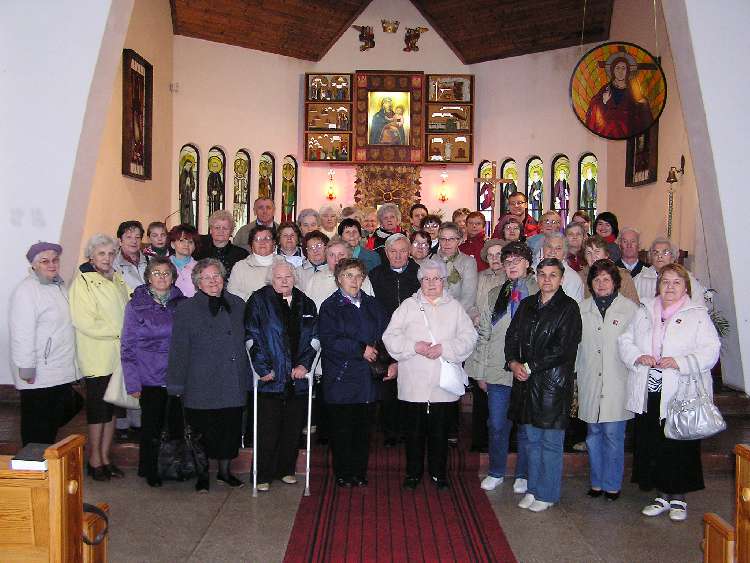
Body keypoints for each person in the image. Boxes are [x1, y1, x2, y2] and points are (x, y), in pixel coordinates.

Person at [618, 263, 720, 521]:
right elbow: (625, 340)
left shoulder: (697, 314)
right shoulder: (645, 310)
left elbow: (711, 350)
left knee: (679, 446)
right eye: (665, 282)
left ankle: (678, 498)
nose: (670, 287)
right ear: (658, 285)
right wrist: (637, 356)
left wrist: (679, 362)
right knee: (653, 442)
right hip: (650, 389)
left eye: (676, 282)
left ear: (685, 287)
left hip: (680, 391)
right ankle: (661, 495)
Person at [383, 259, 477, 490]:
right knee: (413, 433)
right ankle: (413, 474)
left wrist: (445, 348)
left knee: (440, 433)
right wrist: (414, 346)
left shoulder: (455, 307)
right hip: (413, 382)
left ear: (444, 281)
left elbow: (469, 337)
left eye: (436, 278)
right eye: (426, 279)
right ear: (420, 281)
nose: (432, 283)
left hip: (442, 384)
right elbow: (390, 337)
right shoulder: (408, 306)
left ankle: (438, 474)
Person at [167, 258, 249, 492]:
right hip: (200, 380)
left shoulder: (238, 304)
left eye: (216, 276)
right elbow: (179, 348)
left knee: (229, 430)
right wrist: (176, 384)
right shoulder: (186, 309)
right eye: (207, 278)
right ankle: (202, 475)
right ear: (197, 283)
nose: (213, 281)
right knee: (201, 432)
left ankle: (225, 472)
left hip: (231, 379)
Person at [506, 258, 582, 512]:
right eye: (542, 274)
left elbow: (564, 348)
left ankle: (547, 493)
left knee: (550, 442)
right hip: (526, 383)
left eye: (553, 275)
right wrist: (513, 362)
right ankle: (533, 488)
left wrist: (529, 367)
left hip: (552, 385)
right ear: (536, 277)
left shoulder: (569, 308)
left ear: (561, 279)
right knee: (531, 440)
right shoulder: (527, 304)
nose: (547, 279)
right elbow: (512, 336)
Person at [467, 241, 538, 492]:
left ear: (527, 263)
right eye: (507, 262)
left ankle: (523, 474)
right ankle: (496, 470)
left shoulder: (538, 291)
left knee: (526, 427)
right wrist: (481, 372)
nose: (511, 265)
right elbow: (484, 333)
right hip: (497, 367)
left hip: (529, 371)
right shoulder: (495, 293)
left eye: (517, 261)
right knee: (497, 424)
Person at [245, 258, 318, 491]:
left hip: (297, 379)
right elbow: (252, 335)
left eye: (288, 277)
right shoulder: (258, 300)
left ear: (294, 278)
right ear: (271, 279)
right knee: (267, 429)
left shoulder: (306, 303)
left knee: (292, 428)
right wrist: (263, 368)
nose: (284, 281)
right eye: (279, 277)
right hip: (270, 378)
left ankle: (286, 469)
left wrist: (304, 365)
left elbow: (314, 339)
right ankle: (262, 475)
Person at [319, 258, 391, 486]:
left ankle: (359, 472)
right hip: (341, 376)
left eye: (359, 275)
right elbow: (329, 340)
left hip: (367, 377)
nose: (354, 280)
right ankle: (343, 473)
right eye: (348, 275)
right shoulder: (330, 306)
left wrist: (388, 359)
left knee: (363, 429)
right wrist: (360, 349)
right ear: (339, 279)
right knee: (342, 430)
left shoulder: (372, 304)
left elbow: (387, 333)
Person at [69, 234, 130, 481]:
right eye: (101, 254)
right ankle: (94, 460)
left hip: (118, 355)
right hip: (97, 355)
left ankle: (106, 457)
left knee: (112, 408)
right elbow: (84, 321)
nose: (107, 258)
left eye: (111, 253)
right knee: (98, 410)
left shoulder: (117, 277)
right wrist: (121, 332)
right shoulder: (83, 282)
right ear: (91, 256)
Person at [576, 260, 638, 500]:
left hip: (617, 382)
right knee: (593, 435)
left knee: (613, 434)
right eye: (597, 279)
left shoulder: (630, 310)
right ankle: (596, 482)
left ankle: (612, 484)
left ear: (615, 283)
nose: (601, 284)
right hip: (590, 380)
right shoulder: (581, 309)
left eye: (606, 279)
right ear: (590, 283)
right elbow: (576, 347)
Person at [121, 257, 185, 487]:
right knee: (151, 426)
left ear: (173, 277)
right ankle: (150, 469)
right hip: (149, 376)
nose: (161, 277)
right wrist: (132, 382)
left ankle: (174, 466)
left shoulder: (182, 303)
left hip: (176, 374)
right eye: (156, 273)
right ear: (148, 277)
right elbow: (127, 346)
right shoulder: (136, 305)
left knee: (176, 424)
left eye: (166, 273)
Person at [10, 242, 77, 446]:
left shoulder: (58, 286)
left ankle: (46, 462)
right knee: (36, 430)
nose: (52, 264)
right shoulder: (27, 291)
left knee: (51, 423)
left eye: (55, 260)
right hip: (39, 372)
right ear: (34, 265)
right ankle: (31, 464)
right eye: (45, 261)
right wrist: (26, 367)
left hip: (58, 369)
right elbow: (22, 333)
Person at [369, 233, 421, 447]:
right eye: (393, 251)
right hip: (385, 337)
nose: (398, 256)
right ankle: (390, 431)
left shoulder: (420, 274)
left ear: (409, 252)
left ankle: (410, 431)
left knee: (411, 385)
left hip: (414, 338)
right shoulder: (375, 275)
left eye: (402, 251)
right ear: (386, 253)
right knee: (388, 387)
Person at [585, 55, 653, 139]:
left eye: (623, 68)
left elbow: (640, 109)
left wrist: (643, 103)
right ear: (613, 70)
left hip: (628, 128)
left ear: (627, 71)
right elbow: (594, 106)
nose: (620, 71)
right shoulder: (606, 89)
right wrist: (603, 102)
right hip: (607, 129)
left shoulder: (633, 89)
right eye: (617, 68)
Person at [635, 236, 707, 307]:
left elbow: (699, 306)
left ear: (673, 257)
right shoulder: (639, 279)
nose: (659, 256)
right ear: (650, 257)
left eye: (665, 252)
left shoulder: (686, 278)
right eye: (655, 252)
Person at [579, 235, 640, 304]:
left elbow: (634, 305)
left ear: (606, 255)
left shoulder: (623, 276)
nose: (593, 256)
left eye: (597, 251)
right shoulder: (580, 277)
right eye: (588, 253)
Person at [435, 222, 478, 313]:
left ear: (459, 240)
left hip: (459, 313)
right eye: (443, 239)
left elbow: (468, 297)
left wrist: (452, 315)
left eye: (452, 239)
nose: (447, 243)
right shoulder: (430, 261)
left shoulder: (468, 262)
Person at [227, 225, 276, 302]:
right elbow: (232, 291)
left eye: (267, 238)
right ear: (251, 245)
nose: (262, 242)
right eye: (257, 239)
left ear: (274, 244)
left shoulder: (284, 265)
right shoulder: (240, 267)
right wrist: (254, 300)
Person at [194, 210, 249, 276]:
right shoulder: (198, 252)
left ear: (231, 231)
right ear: (211, 230)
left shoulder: (242, 255)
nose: (221, 231)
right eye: (217, 227)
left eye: (225, 228)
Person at [540, 232, 584, 303]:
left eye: (558, 248)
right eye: (549, 246)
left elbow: (571, 307)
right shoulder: (534, 271)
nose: (552, 251)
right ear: (543, 249)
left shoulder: (572, 278)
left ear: (564, 254)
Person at [113, 220, 147, 293]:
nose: (134, 241)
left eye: (137, 237)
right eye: (129, 237)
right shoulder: (113, 265)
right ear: (120, 241)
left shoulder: (150, 260)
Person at [168, 224, 200, 298]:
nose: (186, 244)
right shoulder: (163, 266)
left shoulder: (201, 267)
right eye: (181, 240)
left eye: (190, 242)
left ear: (194, 246)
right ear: (172, 244)